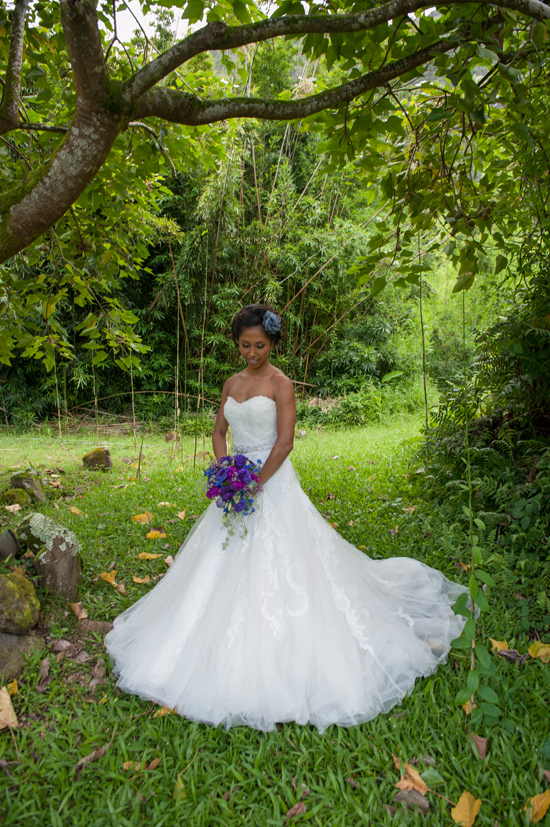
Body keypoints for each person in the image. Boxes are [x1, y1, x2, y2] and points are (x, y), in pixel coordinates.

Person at [105, 304, 468, 732]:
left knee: (287, 562)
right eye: (245, 345)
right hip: (235, 482)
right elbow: (220, 433)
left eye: (260, 345)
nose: (252, 353)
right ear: (236, 343)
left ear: (272, 343)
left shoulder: (281, 384)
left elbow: (285, 442)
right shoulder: (231, 383)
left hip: (271, 482)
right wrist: (225, 471)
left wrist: (254, 484)